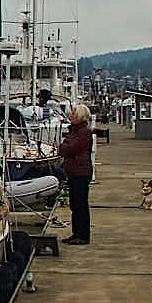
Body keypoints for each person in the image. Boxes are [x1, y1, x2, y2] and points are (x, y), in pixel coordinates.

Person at [58, 102, 93, 245]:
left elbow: (70, 149)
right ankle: (76, 233)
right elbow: (65, 147)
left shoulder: (83, 132)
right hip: (73, 172)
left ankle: (83, 235)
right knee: (74, 205)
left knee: (80, 205)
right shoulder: (74, 131)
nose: (71, 116)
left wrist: (64, 147)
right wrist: (64, 147)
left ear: (80, 116)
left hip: (80, 173)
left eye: (73, 114)